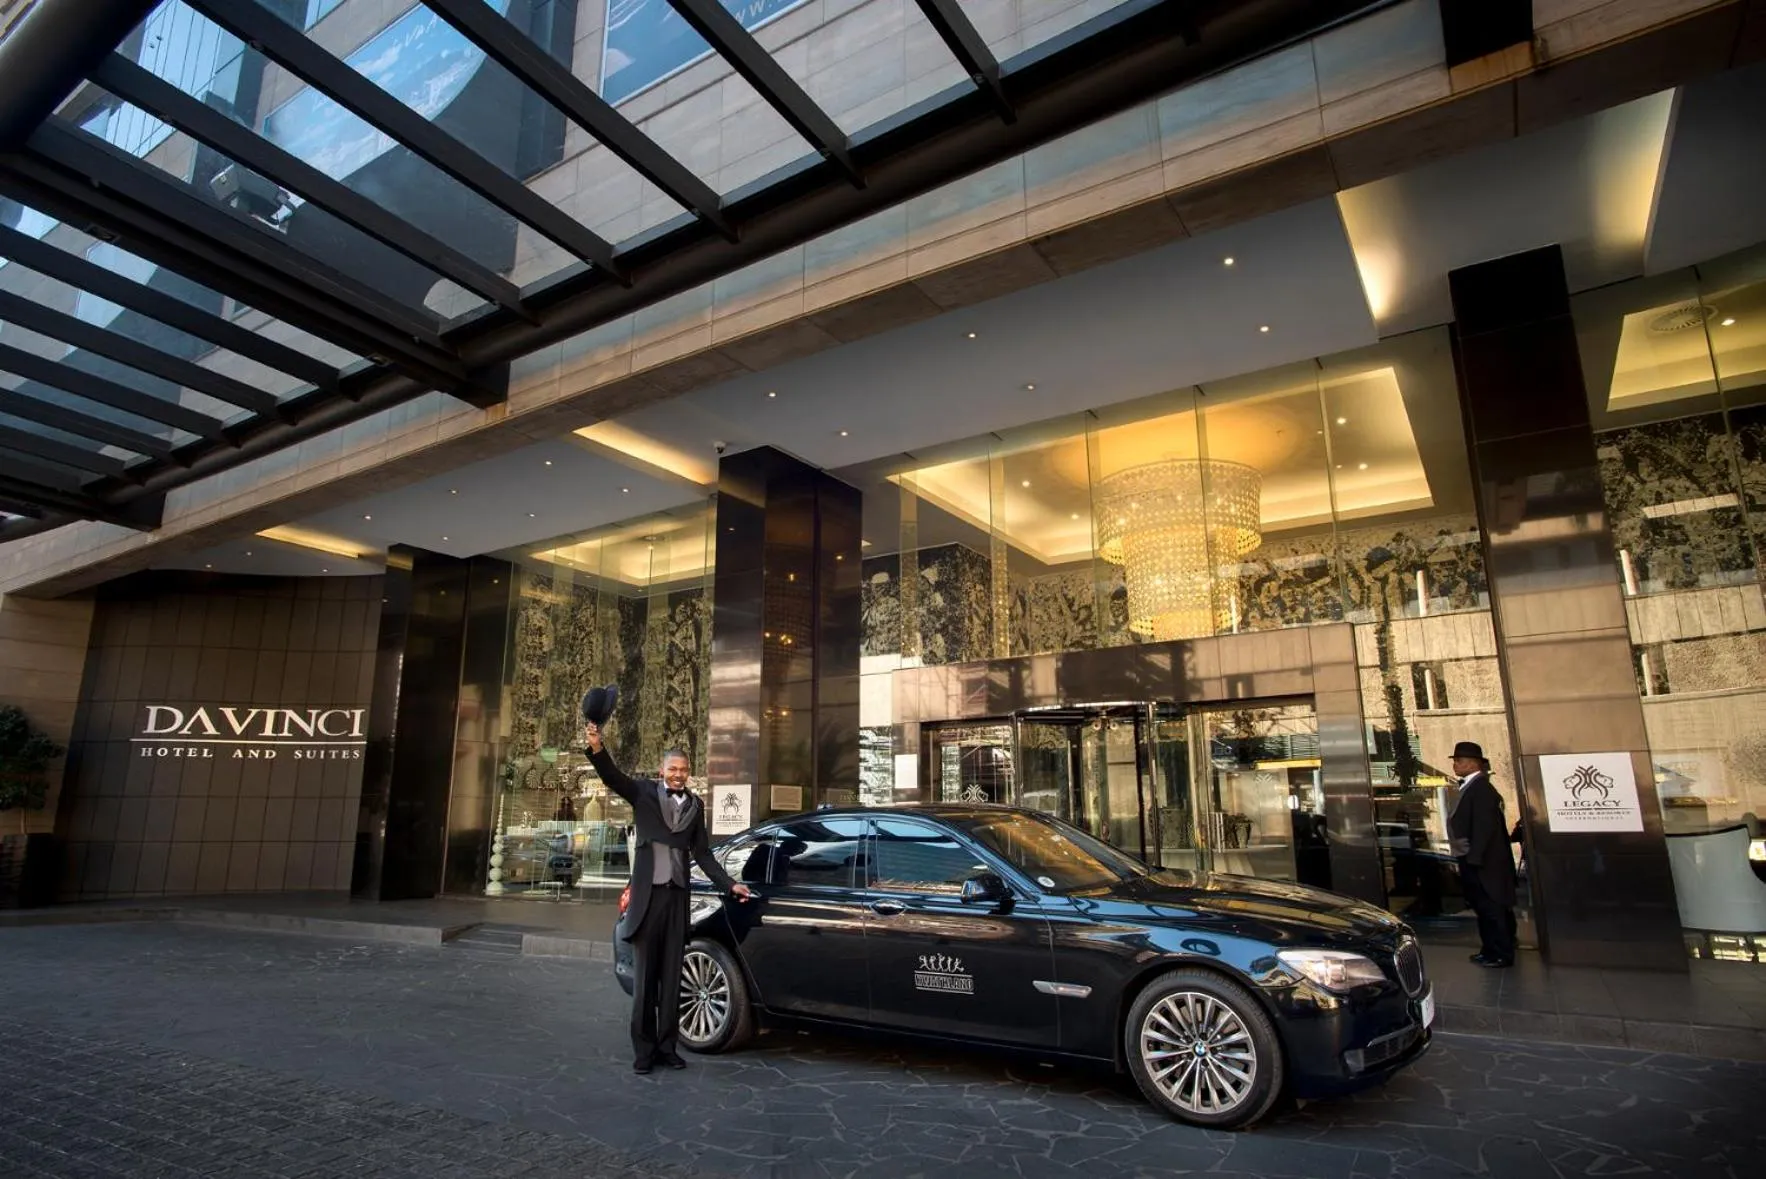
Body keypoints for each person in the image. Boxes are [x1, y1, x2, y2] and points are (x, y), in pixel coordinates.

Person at [583, 721, 750, 1074]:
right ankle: (643, 1051)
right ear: (662, 771)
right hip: (647, 899)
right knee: (645, 981)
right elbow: (612, 777)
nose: (678, 775)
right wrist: (597, 746)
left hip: (677, 899)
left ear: (689, 773)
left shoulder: (696, 805)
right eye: (673, 769)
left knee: (673, 978)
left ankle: (667, 1047)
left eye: (683, 770)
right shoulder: (643, 793)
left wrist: (729, 884)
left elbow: (703, 854)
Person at [1447, 741, 1517, 967]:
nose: (1455, 765)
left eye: (1459, 761)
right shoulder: (1471, 787)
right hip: (1472, 858)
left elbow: (1484, 827)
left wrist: (1474, 858)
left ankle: (1501, 953)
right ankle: (1489, 949)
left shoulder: (1482, 789)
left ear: (1473, 764)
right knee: (1482, 908)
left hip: (1483, 862)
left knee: (1492, 908)